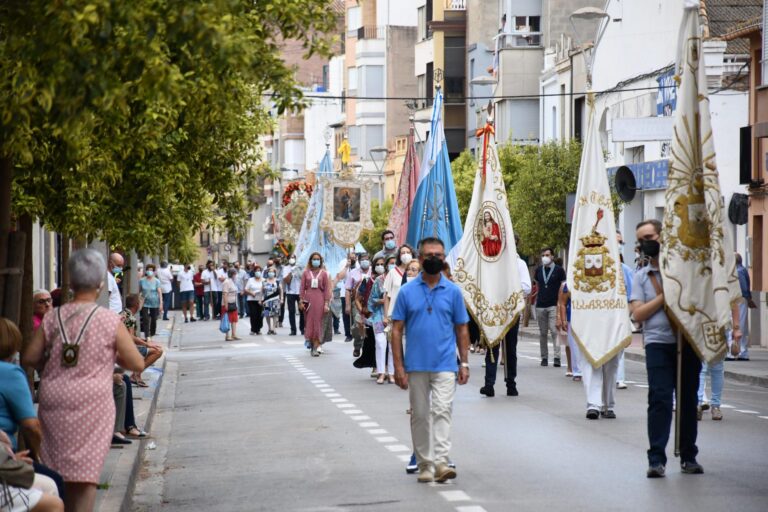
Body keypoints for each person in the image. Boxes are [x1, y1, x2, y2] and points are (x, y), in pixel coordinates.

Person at [23, 248, 144, 511]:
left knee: (57, 471)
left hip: (54, 399)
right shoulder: (108, 320)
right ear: (100, 283)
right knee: (85, 477)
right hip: (92, 402)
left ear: (71, 281)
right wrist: (110, 357)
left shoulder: (54, 317)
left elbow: (30, 356)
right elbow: (136, 362)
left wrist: (51, 365)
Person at [630, 219, 741, 478]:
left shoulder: (688, 274)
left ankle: (689, 455)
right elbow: (638, 314)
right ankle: (656, 459)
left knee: (688, 399)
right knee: (659, 398)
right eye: (641, 240)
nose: (645, 244)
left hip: (688, 341)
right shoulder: (642, 276)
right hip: (657, 343)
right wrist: (665, 296)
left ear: (663, 236)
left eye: (649, 237)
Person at [391, 237, 470, 484]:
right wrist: (398, 367)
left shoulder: (454, 291)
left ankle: (441, 462)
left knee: (442, 410)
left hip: (445, 364)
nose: (434, 259)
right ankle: (425, 464)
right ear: (420, 258)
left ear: (444, 258)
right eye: (429, 255)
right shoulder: (406, 291)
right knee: (420, 415)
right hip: (415, 365)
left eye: (438, 255)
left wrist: (464, 363)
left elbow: (462, 328)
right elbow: (396, 330)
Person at [480, 237, 531, 397]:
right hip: (494, 311)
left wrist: (508, 289)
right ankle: (489, 384)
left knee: (510, 349)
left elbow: (527, 287)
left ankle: (511, 384)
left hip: (511, 312)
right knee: (492, 346)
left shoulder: (519, 264)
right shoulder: (492, 262)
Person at [121, 294, 163, 387]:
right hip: (125, 349)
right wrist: (147, 344)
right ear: (136, 304)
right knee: (158, 351)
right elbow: (131, 337)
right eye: (140, 302)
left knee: (152, 347)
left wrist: (144, 341)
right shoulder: (130, 317)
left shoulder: (124, 313)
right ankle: (136, 374)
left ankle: (136, 374)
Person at [534, 247, 566, 367]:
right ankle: (544, 357)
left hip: (554, 304)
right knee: (543, 333)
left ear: (552, 256)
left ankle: (557, 357)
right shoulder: (538, 270)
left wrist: (560, 303)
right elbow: (537, 285)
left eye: (547, 255)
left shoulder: (559, 270)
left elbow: (563, 287)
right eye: (543, 255)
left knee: (554, 331)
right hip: (540, 305)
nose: (545, 257)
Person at [369, 256, 396, 383]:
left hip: (395, 316)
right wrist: (381, 301)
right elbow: (372, 299)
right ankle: (381, 372)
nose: (393, 265)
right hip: (379, 315)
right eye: (391, 263)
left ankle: (391, 373)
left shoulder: (401, 279)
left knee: (392, 345)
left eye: (395, 263)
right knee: (380, 343)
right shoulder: (379, 280)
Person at [300, 253, 332, 357]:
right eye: (314, 259)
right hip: (308, 299)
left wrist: (326, 303)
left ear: (320, 261)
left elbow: (327, 289)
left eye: (318, 259)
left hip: (319, 299)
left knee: (318, 323)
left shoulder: (324, 273)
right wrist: (301, 300)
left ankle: (315, 347)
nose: (316, 261)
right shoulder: (305, 273)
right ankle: (310, 341)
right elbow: (302, 288)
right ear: (310, 260)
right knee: (309, 322)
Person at [731, 253, 755, 360]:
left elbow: (743, 288)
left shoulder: (738, 271)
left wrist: (748, 298)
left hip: (739, 299)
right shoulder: (743, 269)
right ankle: (742, 352)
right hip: (742, 299)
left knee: (738, 325)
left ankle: (736, 352)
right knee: (742, 325)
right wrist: (748, 299)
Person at [346, 253, 372, 357]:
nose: (365, 261)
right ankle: (357, 346)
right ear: (359, 261)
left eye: (367, 259)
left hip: (371, 303)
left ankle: (368, 348)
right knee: (358, 325)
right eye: (363, 259)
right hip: (357, 303)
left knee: (369, 325)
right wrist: (347, 305)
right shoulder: (353, 273)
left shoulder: (373, 271)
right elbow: (348, 289)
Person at [383, 244, 415, 325]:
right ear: (399, 256)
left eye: (408, 252)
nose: (406, 254)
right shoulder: (392, 272)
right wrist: (386, 316)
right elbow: (387, 296)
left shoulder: (418, 272)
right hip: (394, 315)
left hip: (413, 315)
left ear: (412, 254)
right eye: (403, 253)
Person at [557, 283, 582, 382]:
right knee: (574, 345)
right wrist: (563, 320)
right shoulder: (569, 284)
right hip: (572, 318)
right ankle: (577, 371)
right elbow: (563, 303)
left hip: (589, 318)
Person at [138, 263, 163, 340]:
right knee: (145, 319)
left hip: (154, 302)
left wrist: (161, 303)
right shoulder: (142, 281)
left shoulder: (157, 281)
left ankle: (152, 333)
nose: (150, 271)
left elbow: (159, 292)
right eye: (148, 270)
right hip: (144, 302)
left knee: (154, 319)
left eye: (151, 270)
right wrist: (138, 300)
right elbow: (139, 291)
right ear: (146, 271)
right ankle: (147, 335)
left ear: (154, 271)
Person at [222, 268, 241, 341]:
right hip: (227, 303)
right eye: (235, 274)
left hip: (233, 303)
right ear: (232, 274)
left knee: (234, 319)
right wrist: (226, 305)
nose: (236, 275)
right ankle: (227, 336)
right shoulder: (226, 282)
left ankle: (234, 334)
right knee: (227, 319)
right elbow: (225, 294)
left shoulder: (233, 282)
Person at [245, 265, 265, 335]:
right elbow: (246, 289)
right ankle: (253, 329)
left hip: (261, 299)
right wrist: (251, 293)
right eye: (256, 271)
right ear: (254, 272)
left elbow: (266, 290)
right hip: (252, 300)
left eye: (259, 271)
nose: (258, 272)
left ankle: (258, 329)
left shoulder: (263, 280)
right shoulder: (250, 280)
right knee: (253, 315)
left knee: (260, 315)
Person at [262, 267, 282, 335]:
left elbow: (281, 290)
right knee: (267, 314)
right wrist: (261, 299)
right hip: (267, 300)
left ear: (274, 273)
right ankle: (269, 328)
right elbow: (262, 291)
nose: (271, 273)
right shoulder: (264, 281)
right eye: (269, 272)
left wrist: (282, 298)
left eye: (272, 272)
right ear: (267, 273)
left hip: (275, 299)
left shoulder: (277, 281)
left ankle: (274, 328)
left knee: (275, 314)